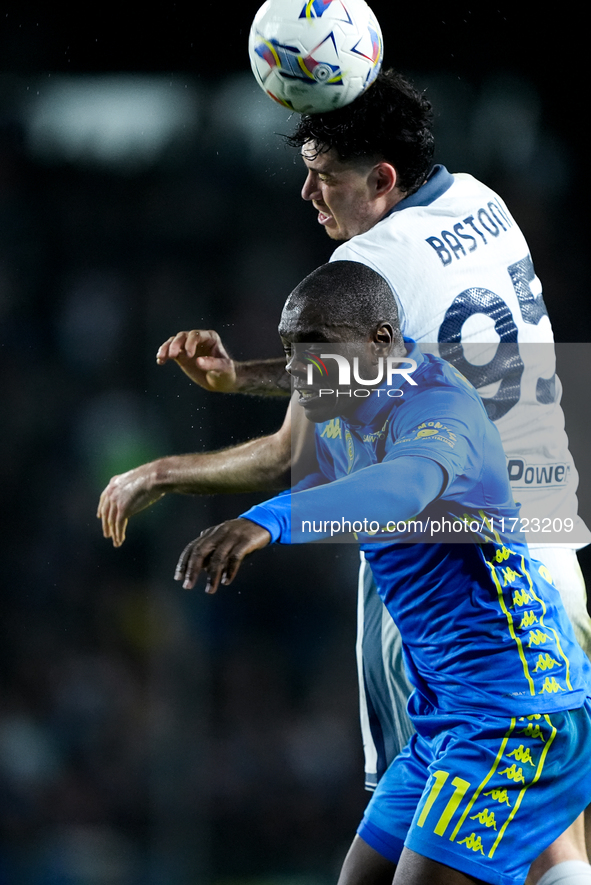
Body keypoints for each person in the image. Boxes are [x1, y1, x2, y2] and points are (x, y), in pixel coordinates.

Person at [97, 70, 591, 884]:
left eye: (324, 175)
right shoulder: (477, 200)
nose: (307, 193)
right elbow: (371, 358)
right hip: (550, 547)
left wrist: (165, 473)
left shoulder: (367, 259)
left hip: (454, 573)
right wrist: (242, 375)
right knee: (551, 833)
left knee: (443, 840)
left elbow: (294, 451)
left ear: (381, 180)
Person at [173, 260, 591, 885]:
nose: (296, 370)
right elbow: (287, 458)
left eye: (314, 351)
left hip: (517, 710)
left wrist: (270, 520)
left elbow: (405, 487)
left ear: (380, 342)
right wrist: (168, 465)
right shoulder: (340, 405)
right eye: (290, 349)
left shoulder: (440, 405)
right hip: (446, 715)